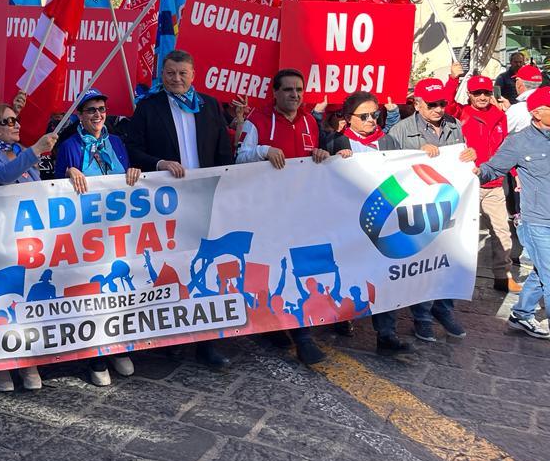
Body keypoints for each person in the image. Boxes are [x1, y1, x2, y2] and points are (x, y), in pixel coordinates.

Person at [125, 49, 234, 369]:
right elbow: (132, 148)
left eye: (182, 74)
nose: (176, 79)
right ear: (162, 74)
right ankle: (172, 338)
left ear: (193, 75)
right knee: (171, 268)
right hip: (166, 202)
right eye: (170, 73)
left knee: (206, 267)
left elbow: (223, 152)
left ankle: (207, 342)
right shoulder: (148, 107)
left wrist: (224, 188)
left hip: (204, 197)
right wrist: (158, 164)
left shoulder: (211, 105)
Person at [235, 69, 330, 365]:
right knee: (272, 271)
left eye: (299, 89)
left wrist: (321, 155)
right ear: (274, 92)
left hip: (301, 211)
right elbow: (238, 158)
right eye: (288, 90)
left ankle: (301, 334)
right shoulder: (257, 122)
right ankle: (276, 325)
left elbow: (316, 153)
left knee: (300, 269)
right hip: (265, 212)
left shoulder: (309, 121)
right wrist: (263, 151)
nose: (295, 95)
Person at [381, 77, 477, 342]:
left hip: (449, 206)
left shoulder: (454, 125)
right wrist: (415, 153)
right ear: (417, 103)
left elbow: (462, 159)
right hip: (415, 210)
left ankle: (444, 310)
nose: (439, 109)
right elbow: (385, 166)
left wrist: (469, 156)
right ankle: (422, 317)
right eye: (433, 104)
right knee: (422, 264)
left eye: (443, 103)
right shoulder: (400, 131)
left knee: (448, 260)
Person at [55, 89, 140, 385]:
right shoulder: (70, 145)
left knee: (117, 291)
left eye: (101, 109)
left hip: (117, 230)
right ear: (79, 114)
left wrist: (133, 172)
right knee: (93, 292)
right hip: (85, 232)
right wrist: (68, 174)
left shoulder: (116, 142)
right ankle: (96, 355)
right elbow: (51, 189)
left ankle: (118, 346)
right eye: (90, 110)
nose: (97, 115)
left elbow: (125, 178)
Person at [0, 102, 57, 390]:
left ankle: (27, 360)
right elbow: (4, 175)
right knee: (1, 301)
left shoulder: (23, 153)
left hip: (25, 239)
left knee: (23, 302)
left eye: (17, 120)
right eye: (8, 121)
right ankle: (0, 365)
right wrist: (36, 150)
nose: (16, 125)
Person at [327, 91, 410, 355]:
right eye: (364, 116)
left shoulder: (387, 142)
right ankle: (342, 317)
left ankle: (386, 333)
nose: (372, 120)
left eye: (376, 114)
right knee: (348, 273)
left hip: (383, 220)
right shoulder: (336, 142)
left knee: (384, 276)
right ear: (348, 118)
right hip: (346, 221)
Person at [478, 86, 550, 339]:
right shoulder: (519, 141)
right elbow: (492, 169)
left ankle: (521, 314)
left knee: (543, 272)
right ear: (537, 113)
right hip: (539, 222)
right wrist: (473, 171)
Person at [445, 67, 519, 293]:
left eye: (485, 92)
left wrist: (515, 175)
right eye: (477, 93)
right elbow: (445, 104)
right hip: (465, 184)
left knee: (501, 231)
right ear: (469, 95)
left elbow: (506, 148)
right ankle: (449, 278)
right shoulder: (460, 113)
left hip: (493, 183)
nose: (482, 97)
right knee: (455, 232)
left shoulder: (500, 116)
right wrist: (453, 78)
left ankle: (503, 276)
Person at [506, 64, 545, 133]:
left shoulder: (517, 110)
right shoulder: (546, 104)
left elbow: (501, 132)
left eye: (516, 81)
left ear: (519, 83)